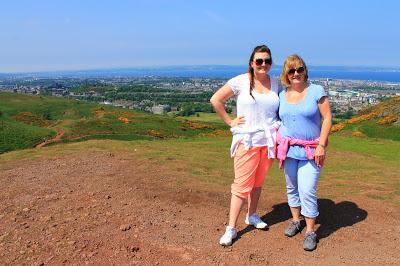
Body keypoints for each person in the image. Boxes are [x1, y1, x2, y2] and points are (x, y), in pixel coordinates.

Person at [210, 45, 281, 246]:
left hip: (267, 142)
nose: (263, 64)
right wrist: (229, 121)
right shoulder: (241, 81)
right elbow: (216, 99)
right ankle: (231, 228)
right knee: (241, 186)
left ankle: (252, 215)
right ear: (252, 62)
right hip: (247, 140)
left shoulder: (275, 83)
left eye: (267, 61)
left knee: (258, 182)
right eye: (259, 61)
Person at [277, 54, 332, 251]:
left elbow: (327, 119)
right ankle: (295, 220)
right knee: (291, 186)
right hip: (289, 149)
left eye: (299, 69)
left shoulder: (316, 91)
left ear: (305, 70)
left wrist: (321, 145)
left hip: (311, 149)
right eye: (291, 71)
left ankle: (310, 231)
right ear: (286, 74)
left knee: (307, 189)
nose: (296, 73)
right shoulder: (282, 95)